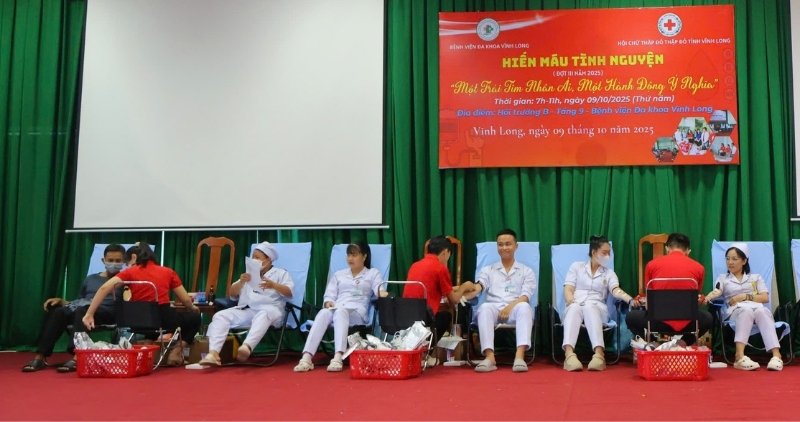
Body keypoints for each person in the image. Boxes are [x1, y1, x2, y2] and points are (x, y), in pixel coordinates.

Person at [82, 242, 201, 366]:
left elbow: (104, 288)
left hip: (135, 321)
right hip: (162, 319)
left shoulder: (130, 272)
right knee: (194, 318)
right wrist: (192, 308)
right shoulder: (167, 271)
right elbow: (186, 300)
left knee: (148, 317)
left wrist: (90, 313)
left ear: (133, 258)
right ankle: (176, 352)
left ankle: (147, 346)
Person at [22, 244, 126, 373]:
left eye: (118, 261)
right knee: (58, 311)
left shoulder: (125, 280)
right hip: (83, 310)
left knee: (82, 311)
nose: (114, 263)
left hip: (107, 314)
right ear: (103, 261)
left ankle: (78, 356)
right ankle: (40, 356)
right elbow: (79, 301)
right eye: (110, 260)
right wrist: (62, 301)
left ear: (124, 261)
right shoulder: (90, 279)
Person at [193, 242, 293, 367]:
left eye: (257, 257)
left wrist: (274, 285)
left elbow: (289, 293)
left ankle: (246, 347)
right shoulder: (249, 274)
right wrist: (241, 282)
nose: (254, 260)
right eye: (253, 256)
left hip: (271, 311)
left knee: (264, 314)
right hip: (248, 310)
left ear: (268, 259)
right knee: (220, 316)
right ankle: (213, 354)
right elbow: (232, 294)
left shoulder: (280, 273)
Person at [294, 242, 383, 372]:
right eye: (348, 255)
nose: (350, 258)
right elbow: (329, 295)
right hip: (337, 308)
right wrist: (328, 302)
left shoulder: (372, 273)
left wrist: (384, 293)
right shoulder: (339, 274)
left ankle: (338, 356)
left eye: (354, 255)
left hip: (357, 312)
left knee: (340, 312)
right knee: (324, 312)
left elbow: (379, 290)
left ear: (364, 257)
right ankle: (306, 357)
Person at [561, 236, 637, 372]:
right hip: (576, 302)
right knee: (573, 308)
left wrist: (630, 299)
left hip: (597, 307)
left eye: (609, 253)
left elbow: (615, 290)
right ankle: (569, 354)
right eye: (604, 252)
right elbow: (568, 288)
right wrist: (570, 301)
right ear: (593, 252)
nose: (607, 256)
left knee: (590, 307)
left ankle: (599, 354)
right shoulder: (576, 267)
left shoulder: (609, 273)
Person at [703, 243, 783, 371]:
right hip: (735, 312)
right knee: (745, 311)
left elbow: (764, 298)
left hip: (756, 308)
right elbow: (717, 291)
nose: (730, 262)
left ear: (744, 261)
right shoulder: (723, 278)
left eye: (734, 259)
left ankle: (776, 355)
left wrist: (744, 297)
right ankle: (739, 356)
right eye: (727, 258)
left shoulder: (755, 278)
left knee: (763, 311)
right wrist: (707, 298)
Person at [466, 229, 536, 373]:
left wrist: (509, 307)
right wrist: (468, 291)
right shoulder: (488, 270)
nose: (504, 248)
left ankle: (519, 357)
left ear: (516, 246)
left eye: (508, 244)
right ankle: (490, 358)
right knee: (484, 308)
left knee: (525, 307)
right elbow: (480, 286)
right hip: (494, 308)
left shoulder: (526, 271)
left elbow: (525, 296)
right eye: (500, 244)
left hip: (515, 309)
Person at [625, 232, 712, 344]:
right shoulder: (699, 268)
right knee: (708, 318)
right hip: (688, 322)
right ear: (688, 251)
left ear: (667, 249)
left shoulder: (651, 265)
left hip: (656, 321)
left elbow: (649, 295)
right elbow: (696, 297)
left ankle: (655, 343)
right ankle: (684, 342)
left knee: (631, 317)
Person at [403, 236, 475, 348]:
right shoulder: (440, 268)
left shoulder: (415, 265)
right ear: (446, 252)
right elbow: (454, 300)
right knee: (445, 316)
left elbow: (434, 287)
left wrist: (456, 288)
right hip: (424, 316)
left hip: (406, 313)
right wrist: (464, 286)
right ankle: (426, 352)